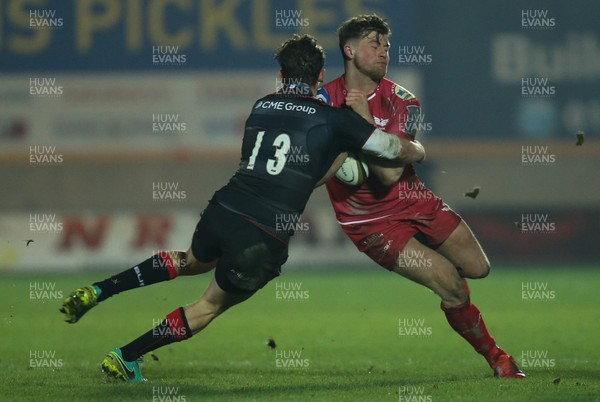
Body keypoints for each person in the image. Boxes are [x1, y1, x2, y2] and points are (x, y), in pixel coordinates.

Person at [60, 34, 425, 382]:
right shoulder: (334, 120)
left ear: (281, 75)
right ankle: (126, 356)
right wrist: (416, 150)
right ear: (320, 76)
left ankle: (100, 290)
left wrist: (340, 148)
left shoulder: (261, 106)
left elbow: (284, 169)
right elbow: (389, 150)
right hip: (262, 234)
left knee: (190, 260)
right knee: (208, 306)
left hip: (226, 207)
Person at [316, 15, 525, 379]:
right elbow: (317, 173)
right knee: (452, 285)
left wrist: (362, 128)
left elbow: (391, 173)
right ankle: (498, 358)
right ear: (349, 51)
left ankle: (460, 308)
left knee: (479, 269)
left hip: (414, 199)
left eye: (387, 46)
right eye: (374, 44)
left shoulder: (402, 100)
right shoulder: (321, 102)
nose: (384, 52)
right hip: (370, 222)